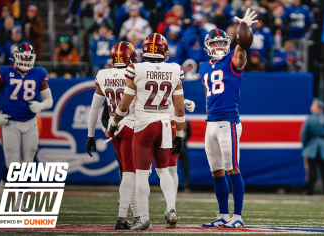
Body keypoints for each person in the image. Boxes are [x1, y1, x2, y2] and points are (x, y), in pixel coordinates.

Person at [110, 33, 184, 231]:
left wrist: (115, 121)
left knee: (141, 174)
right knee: (164, 170)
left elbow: (124, 105)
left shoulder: (136, 69)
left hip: (143, 125)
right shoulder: (175, 69)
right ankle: (171, 208)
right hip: (166, 125)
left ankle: (143, 218)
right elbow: (179, 109)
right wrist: (180, 135)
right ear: (164, 51)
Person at [198, 9, 257, 229]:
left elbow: (242, 48)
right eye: (214, 44)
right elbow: (208, 97)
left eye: (222, 43)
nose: (219, 47)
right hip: (211, 122)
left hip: (228, 122)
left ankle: (238, 216)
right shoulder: (204, 68)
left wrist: (244, 29)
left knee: (232, 168)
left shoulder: (234, 59)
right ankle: (223, 215)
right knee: (216, 171)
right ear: (208, 46)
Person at [0, 42, 53, 207]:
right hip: (10, 123)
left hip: (30, 122)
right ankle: (4, 183)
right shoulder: (4, 72)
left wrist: (42, 106)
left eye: (28, 57)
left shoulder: (39, 73)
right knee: (12, 165)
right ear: (15, 57)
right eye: (22, 57)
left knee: (28, 163)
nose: (25, 60)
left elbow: (49, 100)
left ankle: (20, 200)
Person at [87, 41, 140, 230]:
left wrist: (90, 135)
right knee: (131, 173)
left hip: (112, 127)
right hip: (131, 125)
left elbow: (94, 109)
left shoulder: (103, 74)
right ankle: (123, 217)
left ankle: (136, 216)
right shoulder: (135, 72)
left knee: (128, 171)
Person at [301, 98, 324, 195]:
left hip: (312, 146)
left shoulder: (310, 119)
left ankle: (310, 191)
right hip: (323, 146)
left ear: (318, 108)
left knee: (311, 170)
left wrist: (306, 145)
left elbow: (304, 134)